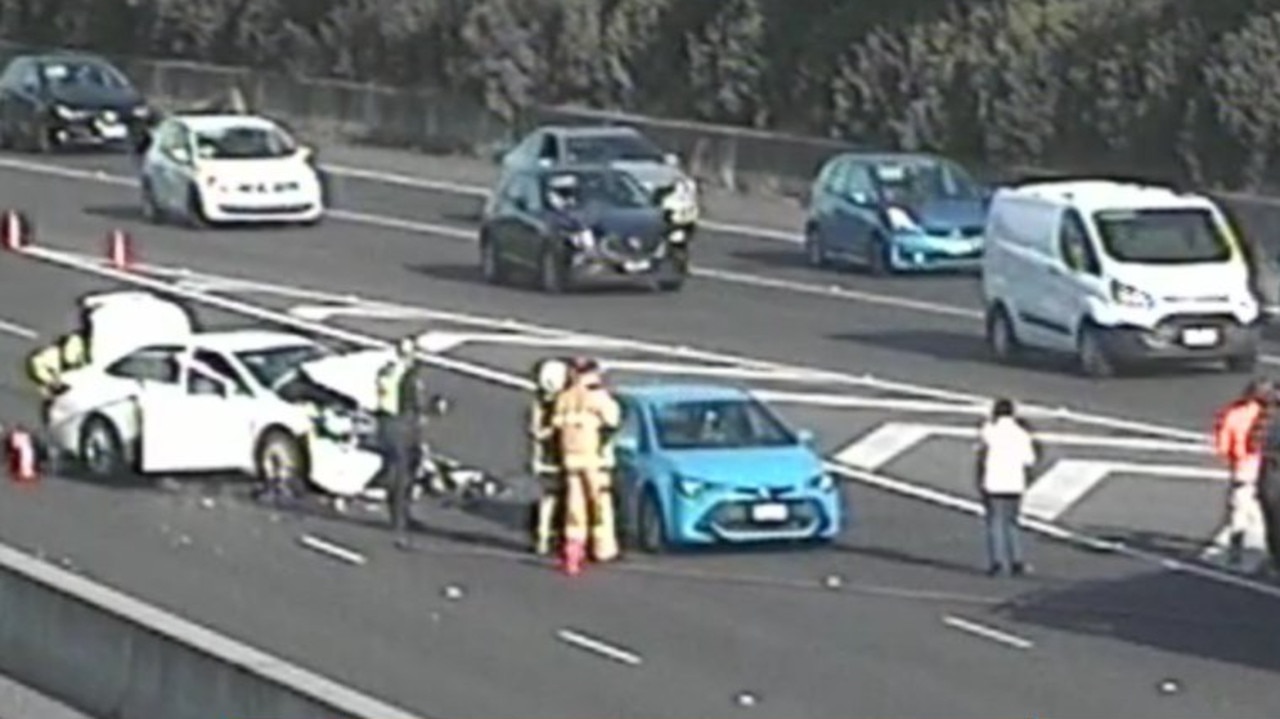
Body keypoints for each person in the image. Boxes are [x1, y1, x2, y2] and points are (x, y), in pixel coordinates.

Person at [551, 357, 621, 575]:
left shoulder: (565, 397)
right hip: (594, 459)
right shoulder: (596, 396)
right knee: (600, 503)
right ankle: (603, 548)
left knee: (575, 506)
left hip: (570, 459)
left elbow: (555, 424)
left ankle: (573, 549)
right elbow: (613, 419)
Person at [1213, 378, 1273, 567]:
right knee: (1267, 513)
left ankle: (1235, 549)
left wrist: (1231, 458)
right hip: (1268, 468)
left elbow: (1223, 445)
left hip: (1244, 468)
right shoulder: (1272, 415)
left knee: (1239, 510)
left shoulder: (1235, 414)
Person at [375, 336, 427, 550]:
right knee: (403, 475)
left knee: (397, 471)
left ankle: (399, 515)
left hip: (387, 424)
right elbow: (412, 404)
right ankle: (400, 524)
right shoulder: (408, 376)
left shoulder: (387, 370)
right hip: (402, 427)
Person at [976, 398, 1037, 576]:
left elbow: (982, 438)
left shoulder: (991, 431)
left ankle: (997, 562)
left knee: (995, 522)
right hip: (1015, 482)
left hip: (993, 482)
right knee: (1012, 522)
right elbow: (1029, 460)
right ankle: (1017, 561)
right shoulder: (1022, 434)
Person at [528, 358, 569, 555]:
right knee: (554, 496)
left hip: (552, 457)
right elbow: (537, 432)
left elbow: (535, 432)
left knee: (551, 498)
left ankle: (545, 535)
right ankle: (545, 536)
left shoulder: (542, 403)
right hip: (555, 457)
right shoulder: (552, 404)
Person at [27, 329, 88, 398]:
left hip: (48, 358)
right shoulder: (53, 375)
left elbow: (38, 362)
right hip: (51, 358)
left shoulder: (46, 374)